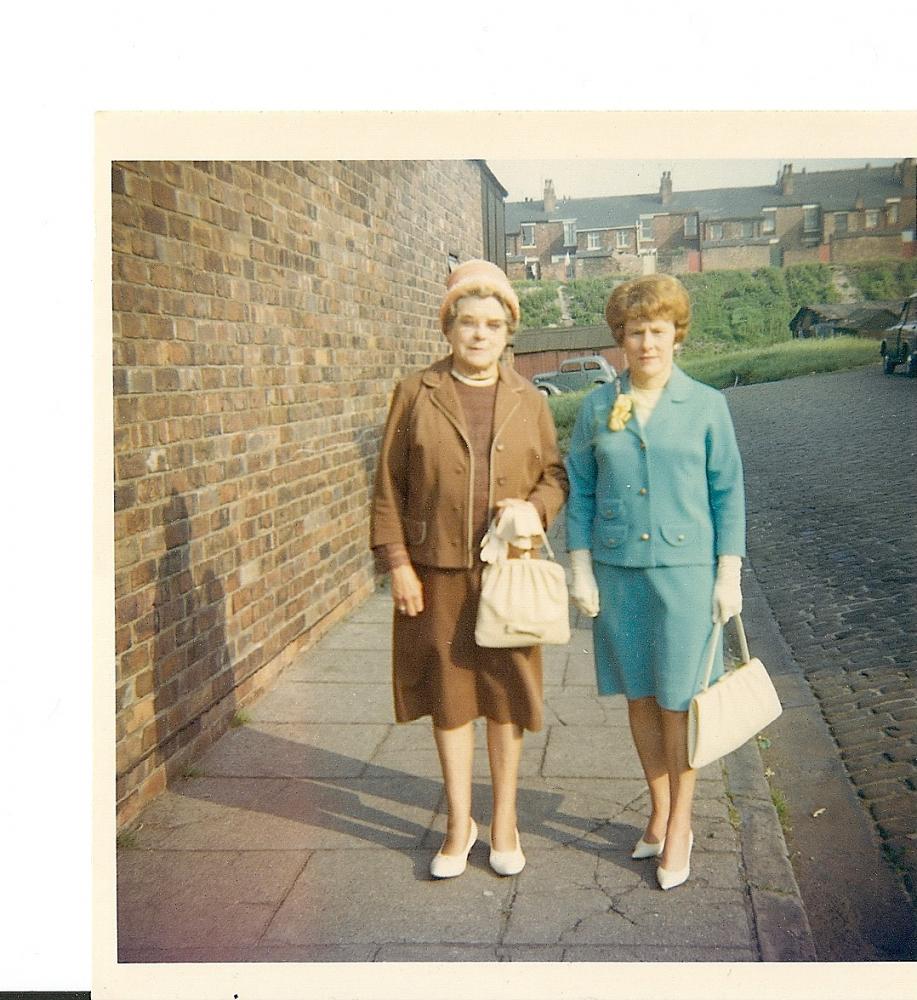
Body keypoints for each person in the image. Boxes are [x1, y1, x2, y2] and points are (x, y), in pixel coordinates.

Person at [370, 259, 568, 879]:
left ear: (509, 332)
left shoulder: (529, 398)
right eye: (466, 322)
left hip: (507, 573)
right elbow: (387, 485)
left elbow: (555, 475)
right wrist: (398, 562)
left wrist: (534, 509)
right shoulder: (415, 391)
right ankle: (460, 823)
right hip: (437, 574)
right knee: (451, 700)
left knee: (506, 698)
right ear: (448, 329)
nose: (479, 334)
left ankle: (504, 821)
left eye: (492, 324)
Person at [565, 274, 745, 891]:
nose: (647, 344)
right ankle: (660, 809)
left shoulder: (706, 405)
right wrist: (580, 565)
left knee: (680, 701)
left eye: (658, 331)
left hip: (688, 578)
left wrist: (729, 574)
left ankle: (682, 825)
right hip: (619, 575)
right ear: (620, 338)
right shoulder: (598, 404)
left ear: (677, 335)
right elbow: (582, 490)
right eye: (635, 332)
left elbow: (728, 493)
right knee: (640, 697)